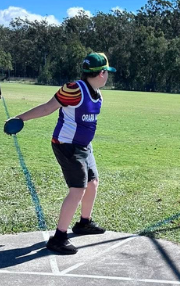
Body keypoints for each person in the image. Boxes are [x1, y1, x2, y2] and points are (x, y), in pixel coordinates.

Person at [12, 52, 116, 255]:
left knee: (92, 183)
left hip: (85, 146)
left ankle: (84, 223)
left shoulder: (96, 92)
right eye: (107, 72)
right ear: (101, 73)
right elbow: (47, 108)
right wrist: (20, 118)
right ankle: (58, 238)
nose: (107, 76)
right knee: (77, 190)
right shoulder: (74, 89)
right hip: (67, 145)